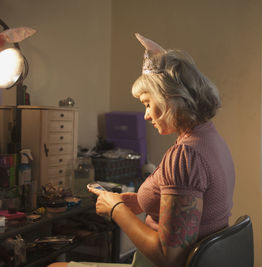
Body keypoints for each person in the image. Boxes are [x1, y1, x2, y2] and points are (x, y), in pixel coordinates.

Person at [49, 33, 235, 267]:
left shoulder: (186, 156)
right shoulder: (210, 138)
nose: (146, 115)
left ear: (170, 100)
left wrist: (117, 209)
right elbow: (194, 199)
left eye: (148, 103)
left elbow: (169, 257)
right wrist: (141, 201)